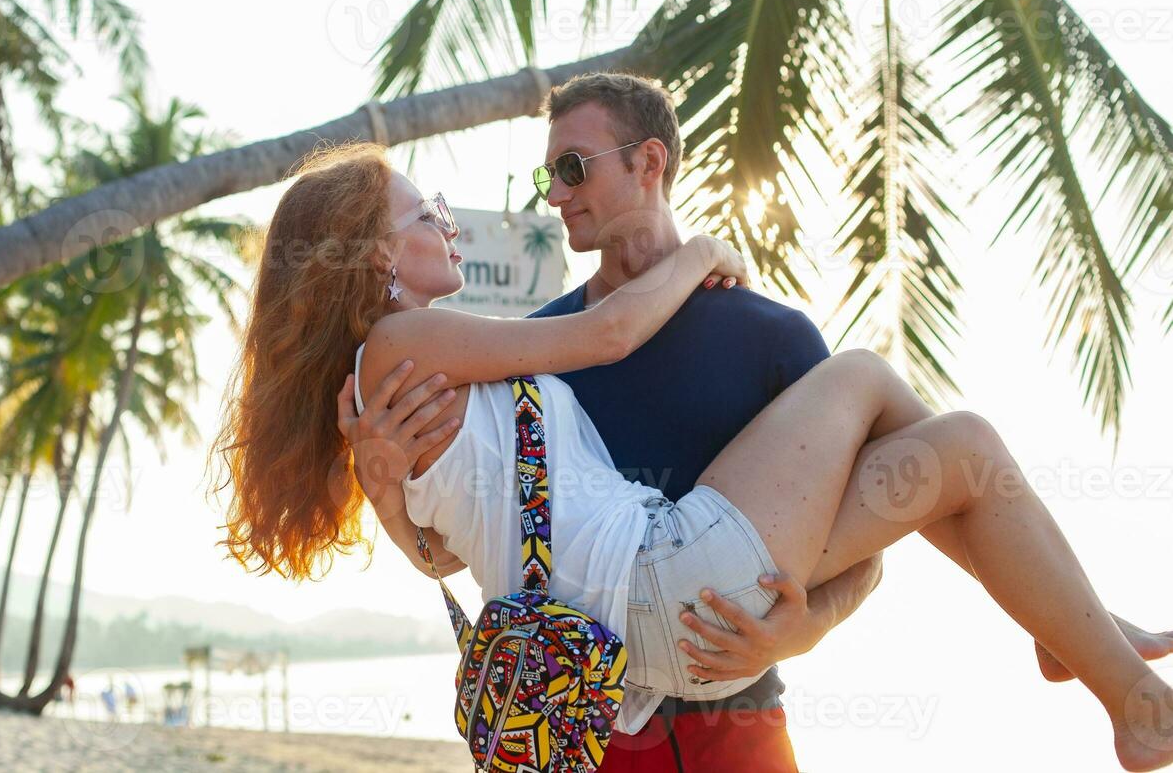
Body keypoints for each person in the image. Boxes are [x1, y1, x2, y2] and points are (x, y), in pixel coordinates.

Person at [213, 126, 1173, 772]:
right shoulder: (407, 344)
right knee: (878, 378)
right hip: (662, 587)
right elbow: (608, 335)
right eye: (426, 214)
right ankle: (1098, 664)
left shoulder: (398, 381)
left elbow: (451, 554)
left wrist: (385, 495)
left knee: (959, 455)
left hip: (663, 634)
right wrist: (706, 250)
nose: (449, 222)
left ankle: (1098, 662)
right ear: (378, 255)